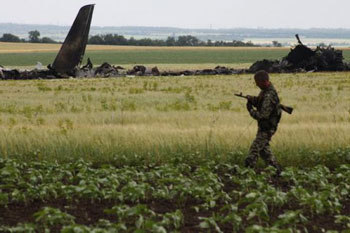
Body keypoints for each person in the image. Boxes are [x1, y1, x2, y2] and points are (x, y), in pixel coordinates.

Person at [245, 70, 282, 174]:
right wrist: (253, 100)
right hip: (265, 127)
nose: (256, 85)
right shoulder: (266, 92)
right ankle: (276, 170)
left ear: (264, 81)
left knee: (255, 149)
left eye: (258, 82)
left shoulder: (269, 95)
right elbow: (262, 103)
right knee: (264, 151)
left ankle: (247, 171)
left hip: (267, 127)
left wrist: (251, 110)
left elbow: (263, 115)